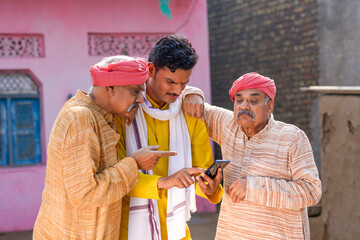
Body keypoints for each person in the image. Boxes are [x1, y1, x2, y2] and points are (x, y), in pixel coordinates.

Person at [33, 55, 176, 240]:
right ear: (110, 88)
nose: (140, 100)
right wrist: (134, 164)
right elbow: (85, 194)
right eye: (135, 91)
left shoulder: (101, 115)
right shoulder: (80, 118)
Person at [182, 72, 322, 239]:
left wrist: (253, 187)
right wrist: (193, 93)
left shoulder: (292, 138)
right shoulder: (228, 125)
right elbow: (190, 102)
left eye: (253, 101)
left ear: (269, 106)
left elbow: (311, 191)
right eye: (239, 100)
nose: (244, 106)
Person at [115, 35, 223, 240]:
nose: (177, 91)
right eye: (170, 81)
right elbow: (117, 177)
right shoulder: (124, 110)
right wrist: (165, 182)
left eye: (184, 83)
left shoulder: (190, 111)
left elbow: (201, 169)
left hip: (176, 230)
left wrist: (210, 188)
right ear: (151, 70)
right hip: (129, 229)